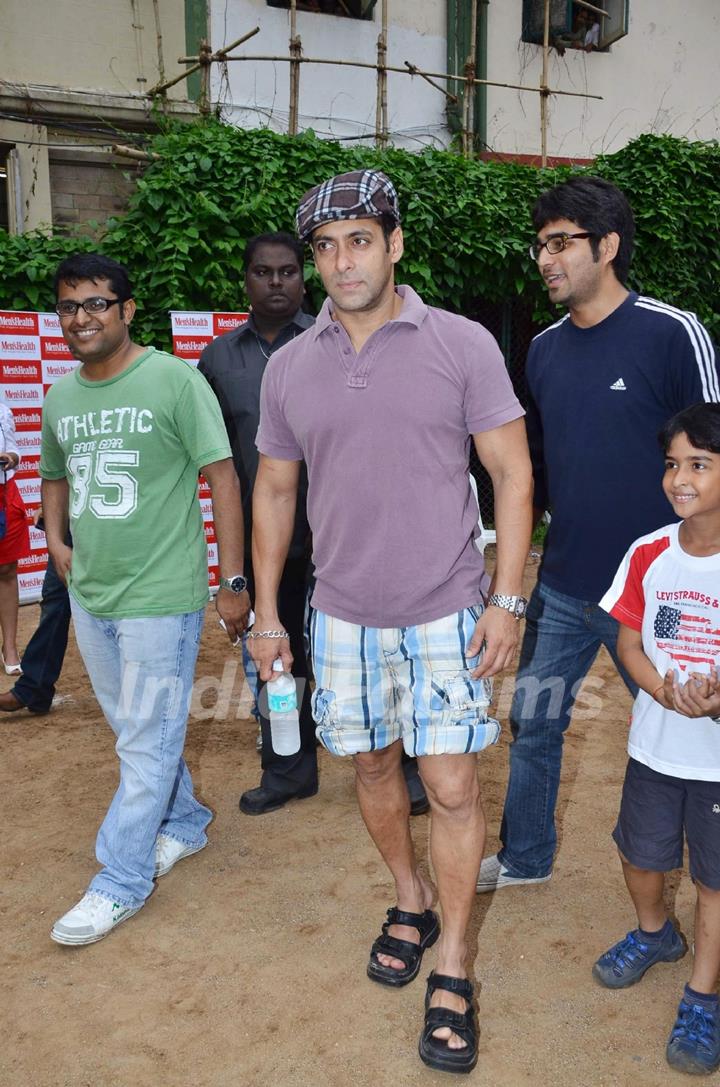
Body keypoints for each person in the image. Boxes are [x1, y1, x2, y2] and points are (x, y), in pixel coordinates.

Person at [249, 169, 533, 1074]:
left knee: (450, 787)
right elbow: (275, 490)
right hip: (339, 615)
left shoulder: (461, 344)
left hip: (449, 608)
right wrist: (265, 613)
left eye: (359, 240)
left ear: (395, 244)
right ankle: (407, 897)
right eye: (324, 248)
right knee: (371, 767)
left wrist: (507, 597)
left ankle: (452, 959)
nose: (341, 263)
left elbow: (513, 475)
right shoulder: (290, 365)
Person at [477, 176, 719, 894]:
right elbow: (541, 469)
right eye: (541, 245)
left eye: (561, 243)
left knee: (691, 722)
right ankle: (526, 856)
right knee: (536, 720)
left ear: (607, 246)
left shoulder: (672, 332)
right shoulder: (544, 350)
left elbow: (714, 449)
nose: (546, 259)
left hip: (663, 590)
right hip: (569, 581)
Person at [40, 252, 250, 946]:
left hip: (163, 594)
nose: (82, 318)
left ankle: (121, 878)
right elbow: (53, 474)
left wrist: (232, 579)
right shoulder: (61, 396)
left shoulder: (172, 379)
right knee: (141, 730)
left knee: (144, 738)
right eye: (70, 306)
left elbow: (223, 477)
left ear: (127, 310)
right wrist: (56, 541)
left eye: (97, 303)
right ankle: (184, 821)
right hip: (92, 593)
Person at [199, 231, 428, 817]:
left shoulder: (339, 341)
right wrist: (234, 573)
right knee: (279, 658)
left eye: (287, 271)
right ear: (245, 279)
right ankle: (287, 770)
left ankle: (406, 769)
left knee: (386, 654)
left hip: (350, 538)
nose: (276, 282)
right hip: (272, 541)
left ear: (305, 278)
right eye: (262, 272)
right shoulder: (218, 359)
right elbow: (219, 462)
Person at [595, 402, 720, 1077]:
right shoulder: (649, 551)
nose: (681, 478)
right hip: (655, 747)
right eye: (673, 464)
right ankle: (654, 932)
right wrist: (661, 687)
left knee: (714, 879)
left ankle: (703, 994)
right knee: (641, 856)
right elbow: (630, 640)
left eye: (699, 463)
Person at [0, 509, 72, 716]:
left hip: (107, 526)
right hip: (71, 521)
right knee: (55, 599)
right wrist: (53, 505)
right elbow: (58, 477)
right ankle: (34, 688)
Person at [0, 398, 31, 674]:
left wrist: (12, 457)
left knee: (8, 570)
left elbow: (14, 450)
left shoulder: (1, 405)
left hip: (5, 494)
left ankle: (9, 647)